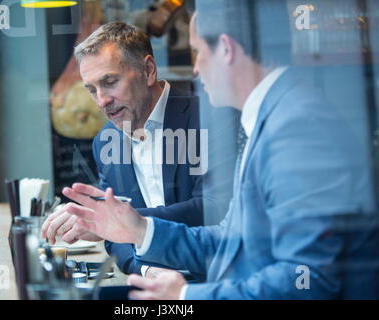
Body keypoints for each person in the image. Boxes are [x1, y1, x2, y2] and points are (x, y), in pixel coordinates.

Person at [43, 0, 379, 299]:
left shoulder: (297, 128)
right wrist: (139, 230)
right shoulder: (272, 117)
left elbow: (311, 280)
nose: (197, 68)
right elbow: (232, 239)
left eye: (198, 52)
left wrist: (188, 296)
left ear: (227, 50)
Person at [42, 21, 234, 278]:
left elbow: (214, 209)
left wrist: (111, 220)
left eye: (110, 82)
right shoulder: (106, 140)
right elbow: (115, 241)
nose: (101, 101)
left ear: (148, 70)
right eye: (92, 90)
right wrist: (145, 269)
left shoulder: (211, 118)